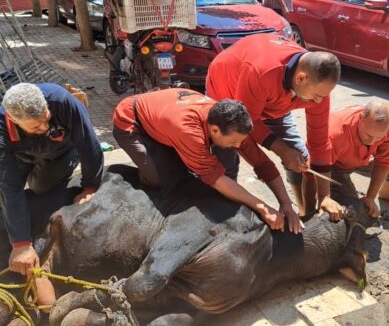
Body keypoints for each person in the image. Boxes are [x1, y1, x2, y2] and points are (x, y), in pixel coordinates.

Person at [112, 89, 303, 234]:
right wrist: (262, 207)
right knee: (162, 180)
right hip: (133, 123)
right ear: (214, 131)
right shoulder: (189, 131)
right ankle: (145, 177)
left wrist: (285, 203)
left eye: (240, 141)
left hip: (166, 120)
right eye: (234, 141)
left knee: (228, 160)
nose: (239, 144)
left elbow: (262, 164)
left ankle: (208, 180)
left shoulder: (231, 124)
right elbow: (215, 177)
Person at [0, 83, 104, 276]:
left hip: (59, 154)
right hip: (18, 158)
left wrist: (90, 186)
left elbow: (89, 145)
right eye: (36, 125)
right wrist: (21, 244)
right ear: (13, 120)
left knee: (42, 191)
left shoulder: (63, 102)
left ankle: (34, 234)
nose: (45, 126)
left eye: (47, 119)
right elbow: (12, 188)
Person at [206, 33, 342, 220]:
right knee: (227, 159)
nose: (319, 101)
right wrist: (282, 150)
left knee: (301, 159)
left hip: (271, 104)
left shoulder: (317, 88)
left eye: (323, 96)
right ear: (301, 78)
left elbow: (319, 141)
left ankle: (305, 213)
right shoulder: (261, 71)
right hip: (228, 94)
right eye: (317, 95)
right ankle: (225, 215)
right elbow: (248, 122)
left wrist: (326, 196)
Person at [326, 100, 389, 218]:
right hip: (335, 166)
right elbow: (313, 168)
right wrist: (323, 197)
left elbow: (384, 162)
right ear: (360, 118)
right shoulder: (336, 129)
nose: (372, 141)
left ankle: (386, 193)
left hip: (363, 160)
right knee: (354, 208)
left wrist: (370, 197)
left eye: (379, 138)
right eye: (368, 135)